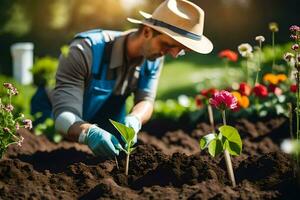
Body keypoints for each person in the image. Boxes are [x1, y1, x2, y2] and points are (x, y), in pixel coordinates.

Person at [31, 0, 213, 159]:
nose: (173, 54)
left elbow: (146, 100)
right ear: (148, 31)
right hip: (52, 113)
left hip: (103, 110)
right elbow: (64, 117)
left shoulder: (155, 57)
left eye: (180, 49)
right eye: (168, 45)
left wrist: (135, 118)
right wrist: (90, 133)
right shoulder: (85, 50)